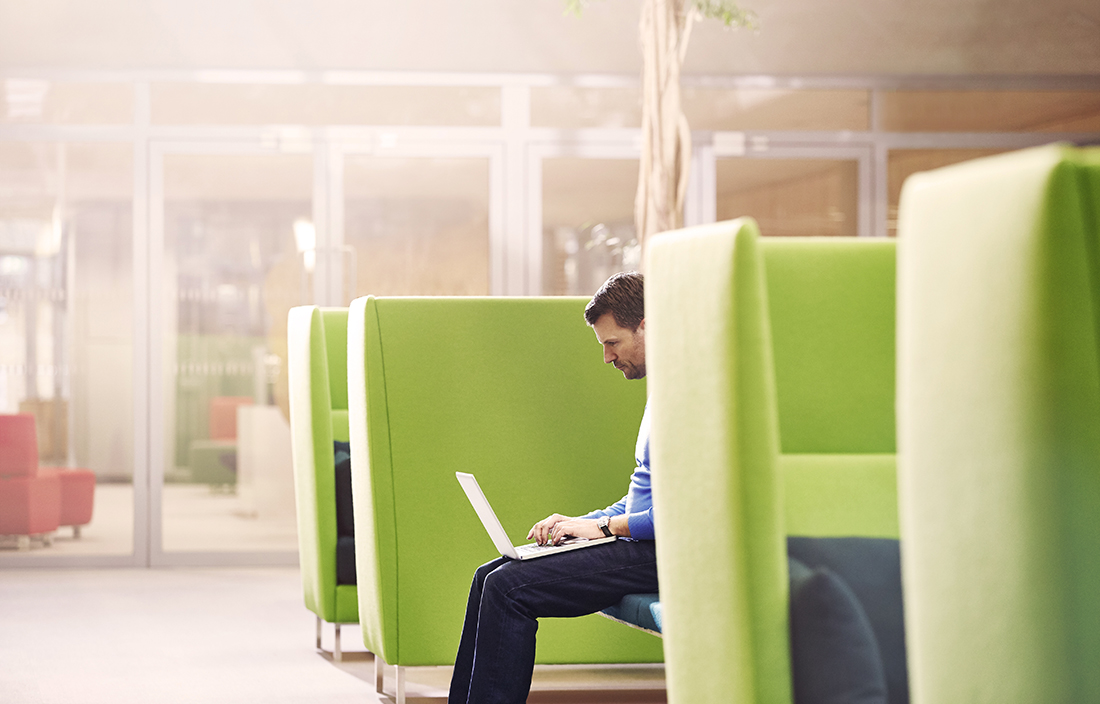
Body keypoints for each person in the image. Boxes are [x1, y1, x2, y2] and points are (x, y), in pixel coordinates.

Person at [448, 271, 657, 704]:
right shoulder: (662, 395)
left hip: (662, 552)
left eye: (612, 343)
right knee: (488, 576)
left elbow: (688, 512)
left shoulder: (692, 398)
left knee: (509, 589)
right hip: (639, 542)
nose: (606, 357)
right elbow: (646, 494)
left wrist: (603, 531)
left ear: (646, 325)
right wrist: (586, 521)